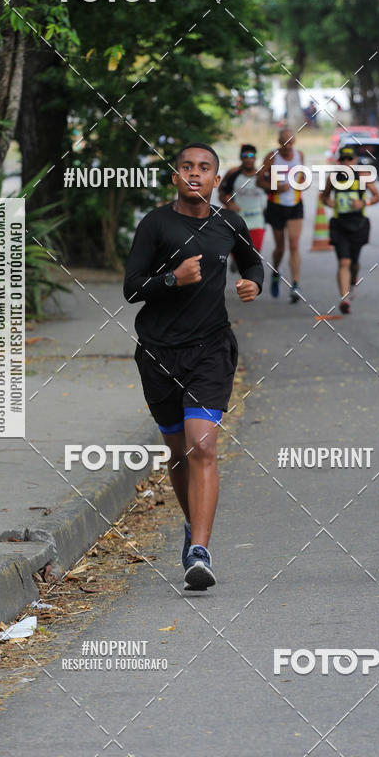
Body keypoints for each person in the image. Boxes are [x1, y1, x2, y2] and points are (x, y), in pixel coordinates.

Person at [123, 143, 263, 591]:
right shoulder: (155, 224)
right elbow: (131, 288)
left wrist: (253, 283)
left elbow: (253, 262)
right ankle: (191, 526)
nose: (195, 174)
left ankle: (200, 550)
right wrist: (172, 279)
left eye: (204, 168)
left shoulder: (230, 223)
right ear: (175, 176)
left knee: (201, 445)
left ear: (217, 179)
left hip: (211, 350)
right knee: (178, 452)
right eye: (187, 167)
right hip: (159, 353)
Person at [320, 144, 379, 314]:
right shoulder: (333, 177)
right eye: (343, 159)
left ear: (355, 160)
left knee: (353, 263)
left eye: (350, 159)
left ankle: (353, 279)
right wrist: (330, 203)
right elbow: (324, 197)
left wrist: (364, 202)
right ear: (339, 161)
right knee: (343, 262)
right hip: (339, 224)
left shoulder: (363, 176)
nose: (346, 162)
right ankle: (344, 299)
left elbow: (377, 197)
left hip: (359, 224)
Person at [257, 128, 305, 303]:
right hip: (276, 206)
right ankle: (276, 272)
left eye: (291, 142)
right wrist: (275, 187)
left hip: (295, 205)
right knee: (280, 248)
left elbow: (302, 177)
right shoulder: (272, 156)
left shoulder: (300, 155)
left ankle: (295, 284)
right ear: (279, 142)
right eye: (285, 142)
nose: (288, 145)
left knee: (294, 245)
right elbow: (259, 180)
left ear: (294, 141)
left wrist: (302, 184)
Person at [218, 144, 266, 268]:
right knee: (239, 249)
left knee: (255, 252)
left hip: (257, 219)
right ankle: (238, 259)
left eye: (251, 156)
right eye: (245, 156)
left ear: (255, 158)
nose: (248, 159)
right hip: (238, 219)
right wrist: (229, 203)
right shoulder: (233, 174)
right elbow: (221, 194)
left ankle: (248, 272)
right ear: (241, 157)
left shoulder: (261, 176)